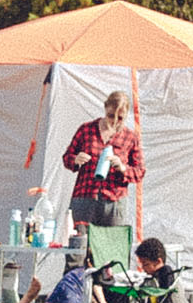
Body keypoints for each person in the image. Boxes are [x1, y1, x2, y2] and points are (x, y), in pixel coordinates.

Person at [60, 90, 146, 230]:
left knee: (111, 247)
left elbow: (140, 171)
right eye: (111, 115)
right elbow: (66, 158)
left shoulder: (130, 138)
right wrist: (76, 159)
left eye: (120, 118)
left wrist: (123, 168)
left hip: (114, 201)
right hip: (85, 197)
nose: (114, 121)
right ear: (105, 108)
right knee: (79, 247)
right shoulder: (86, 130)